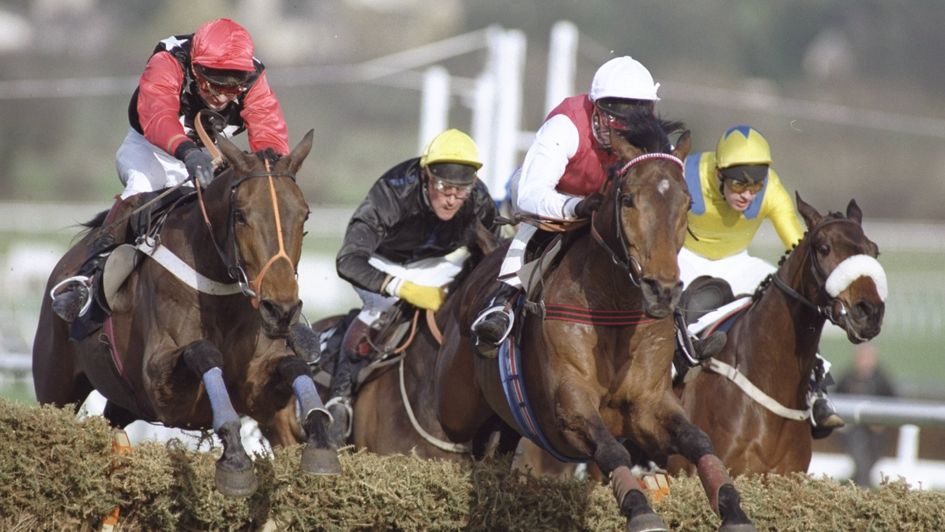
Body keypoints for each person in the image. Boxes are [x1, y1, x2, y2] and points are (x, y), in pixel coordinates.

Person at [469, 55, 723, 361]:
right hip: (548, 196)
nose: (621, 126)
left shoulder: (653, 140)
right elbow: (530, 194)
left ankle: (683, 332)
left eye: (634, 115)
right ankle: (502, 305)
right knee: (534, 233)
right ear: (595, 107)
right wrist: (575, 207)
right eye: (614, 114)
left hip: (605, 207)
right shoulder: (566, 125)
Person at [50, 18, 289, 323]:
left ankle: (279, 307)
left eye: (233, 85)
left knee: (245, 215)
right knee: (140, 189)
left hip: (211, 153)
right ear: (196, 67)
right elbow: (158, 115)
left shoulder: (254, 76)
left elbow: (269, 132)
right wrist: (186, 152)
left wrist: (269, 171)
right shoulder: (169, 59)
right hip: (151, 148)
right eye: (214, 81)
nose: (223, 94)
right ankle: (87, 279)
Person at [327, 128, 498, 446]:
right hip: (382, 263)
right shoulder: (392, 192)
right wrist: (398, 286)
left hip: (438, 264)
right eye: (444, 186)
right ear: (426, 176)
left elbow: (492, 256)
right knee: (379, 310)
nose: (452, 198)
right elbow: (348, 260)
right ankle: (340, 399)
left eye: (461, 190)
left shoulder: (477, 198)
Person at [679, 124, 843, 436]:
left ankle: (816, 391)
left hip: (737, 261)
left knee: (792, 298)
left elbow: (798, 248)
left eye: (756, 185)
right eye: (739, 184)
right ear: (718, 174)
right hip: (683, 258)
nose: (748, 194)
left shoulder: (772, 190)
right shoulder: (686, 176)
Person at [835, 343, 897, 487]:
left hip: (876, 432)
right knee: (861, 460)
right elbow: (836, 399)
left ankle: (855, 486)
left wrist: (881, 420)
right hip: (853, 429)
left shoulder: (881, 378)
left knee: (869, 462)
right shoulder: (848, 377)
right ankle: (861, 489)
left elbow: (894, 402)